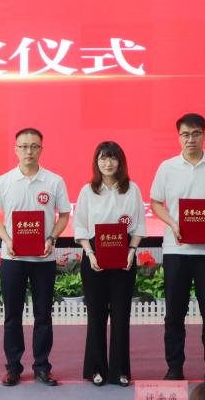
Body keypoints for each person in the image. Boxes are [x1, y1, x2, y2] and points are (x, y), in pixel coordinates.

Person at [150, 113, 205, 382]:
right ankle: (174, 367)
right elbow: (155, 202)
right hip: (176, 250)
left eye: (196, 133)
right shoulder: (167, 167)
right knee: (174, 314)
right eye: (185, 134)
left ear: (204, 135)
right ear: (178, 137)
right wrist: (173, 224)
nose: (191, 139)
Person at [0, 127, 71, 387]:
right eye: (23, 146)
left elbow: (64, 215)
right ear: (15, 149)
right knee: (12, 315)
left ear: (41, 149)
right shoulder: (3, 181)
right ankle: (13, 367)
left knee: (43, 315)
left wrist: (51, 237)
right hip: (12, 258)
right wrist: (6, 239)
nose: (28, 151)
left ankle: (42, 367)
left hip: (43, 259)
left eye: (34, 146)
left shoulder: (54, 181)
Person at [73, 141, 146, 387]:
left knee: (121, 316)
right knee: (96, 316)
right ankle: (97, 369)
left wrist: (131, 251)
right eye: (103, 158)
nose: (108, 163)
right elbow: (80, 226)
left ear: (120, 162)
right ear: (96, 162)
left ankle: (120, 371)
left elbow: (139, 225)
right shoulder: (88, 191)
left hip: (124, 258)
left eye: (113, 158)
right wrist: (90, 254)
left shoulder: (132, 189)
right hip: (94, 257)